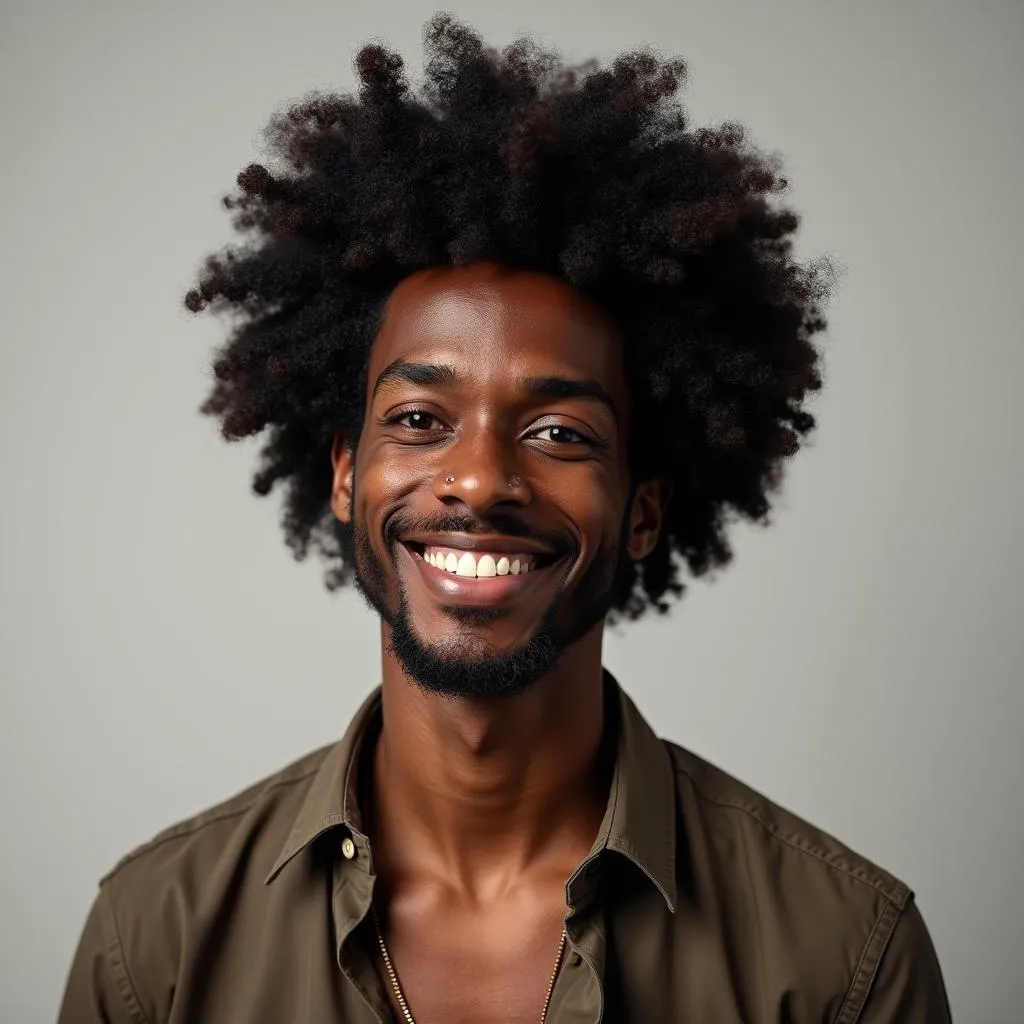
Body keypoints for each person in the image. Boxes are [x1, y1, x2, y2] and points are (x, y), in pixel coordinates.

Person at [58, 15, 952, 1023]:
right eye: (418, 418)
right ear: (346, 475)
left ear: (644, 510)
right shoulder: (160, 941)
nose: (478, 479)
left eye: (561, 433)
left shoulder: (842, 958)